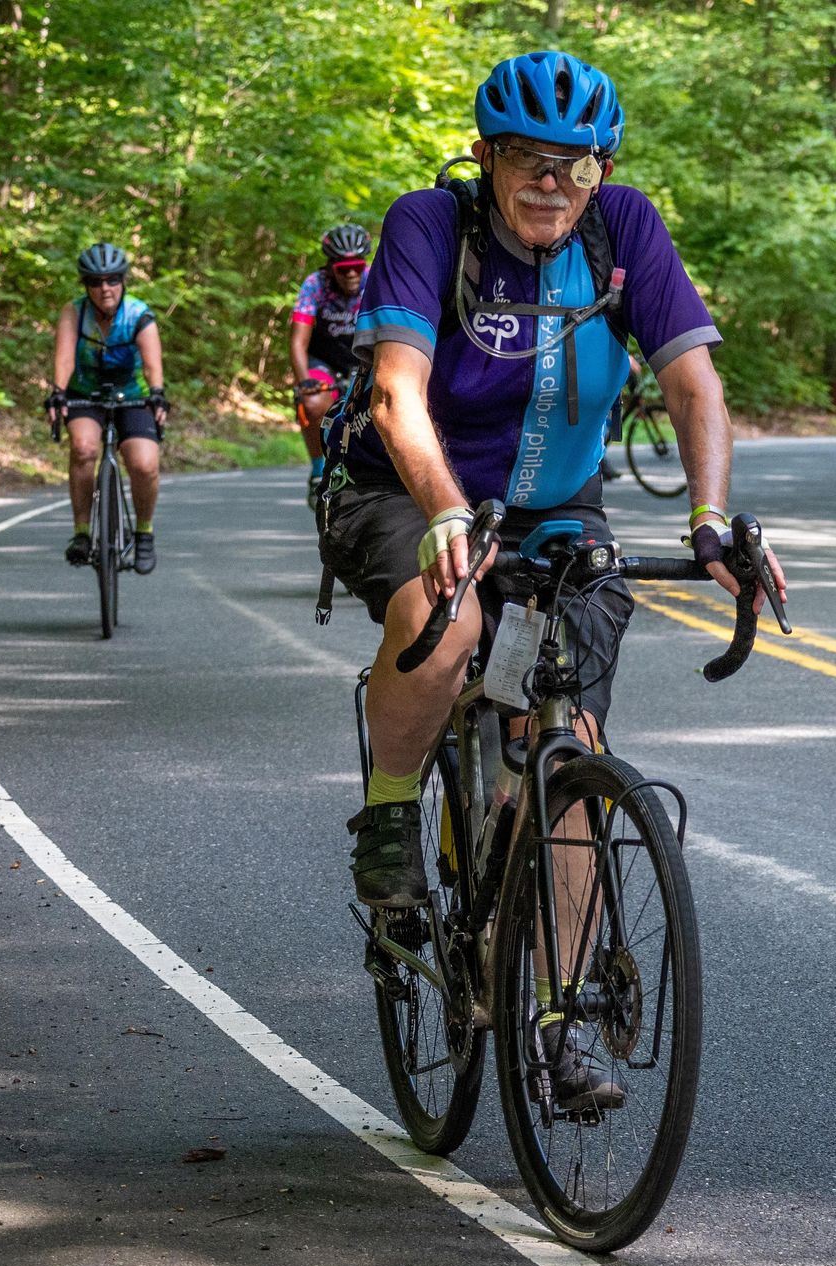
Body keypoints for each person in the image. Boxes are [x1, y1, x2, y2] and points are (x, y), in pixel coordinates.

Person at [317, 50, 785, 1108]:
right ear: (484, 157)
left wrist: (711, 517)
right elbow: (395, 394)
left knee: (561, 744)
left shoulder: (625, 230)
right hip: (404, 484)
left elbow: (693, 384)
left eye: (575, 165)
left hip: (558, 509)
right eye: (528, 160)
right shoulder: (429, 228)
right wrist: (442, 508)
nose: (551, 184)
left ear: (601, 167)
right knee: (446, 618)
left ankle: (557, 1013)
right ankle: (392, 820)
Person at [44, 242, 168, 574]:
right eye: (96, 282)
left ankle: (143, 533)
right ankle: (82, 533)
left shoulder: (139, 314)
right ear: (86, 285)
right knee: (83, 448)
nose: (105, 288)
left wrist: (156, 393)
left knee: (144, 464)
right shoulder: (75, 312)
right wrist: (58, 392)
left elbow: (153, 366)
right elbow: (65, 358)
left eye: (112, 280)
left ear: (123, 281)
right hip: (86, 394)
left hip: (133, 396)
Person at [292, 225, 369, 505]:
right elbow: (298, 341)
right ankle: (317, 470)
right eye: (343, 267)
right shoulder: (315, 285)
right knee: (312, 404)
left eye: (357, 267)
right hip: (323, 361)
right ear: (330, 266)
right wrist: (304, 383)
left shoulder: (376, 281)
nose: (351, 273)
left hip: (362, 359)